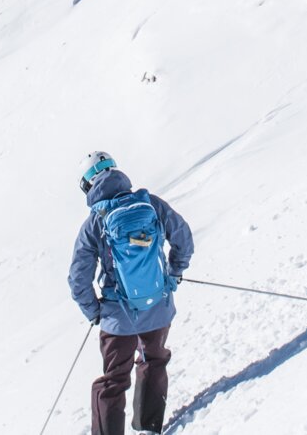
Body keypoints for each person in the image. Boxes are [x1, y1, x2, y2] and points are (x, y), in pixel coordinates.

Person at [68, 151, 194, 435]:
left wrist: (95, 311)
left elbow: (78, 277)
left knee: (113, 380)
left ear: (87, 185)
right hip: (158, 306)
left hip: (118, 317)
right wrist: (174, 273)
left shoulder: (94, 223)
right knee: (154, 360)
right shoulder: (150, 203)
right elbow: (183, 237)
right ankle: (149, 426)